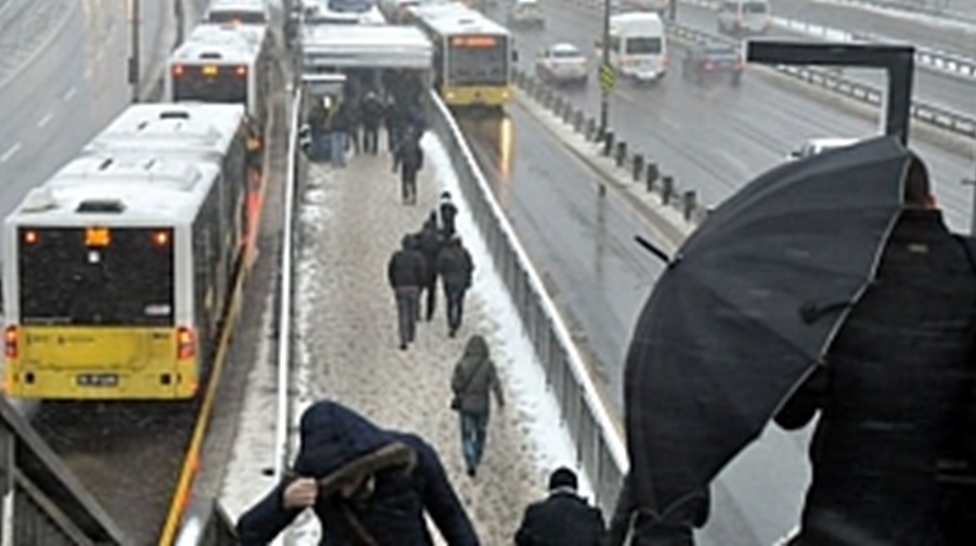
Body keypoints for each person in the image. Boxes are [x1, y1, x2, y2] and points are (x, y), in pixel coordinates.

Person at [774, 154, 976, 545]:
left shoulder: (838, 290)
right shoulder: (970, 268)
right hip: (951, 521)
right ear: (932, 202)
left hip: (847, 521)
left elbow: (791, 411)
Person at [236, 400, 480, 545]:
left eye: (347, 479)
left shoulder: (414, 455)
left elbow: (450, 517)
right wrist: (282, 503)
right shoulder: (313, 472)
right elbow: (247, 535)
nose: (343, 490)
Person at [450, 334, 504, 477]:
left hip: (466, 406)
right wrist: (500, 400)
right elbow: (495, 384)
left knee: (466, 435)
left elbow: (455, 384)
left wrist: (460, 392)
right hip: (483, 406)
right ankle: (478, 456)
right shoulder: (488, 365)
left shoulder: (461, 364)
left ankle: (470, 461)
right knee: (481, 433)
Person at [606, 472, 708, 546]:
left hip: (646, 541)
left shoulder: (641, 469)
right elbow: (700, 519)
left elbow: (621, 518)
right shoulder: (696, 471)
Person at [515, 467, 607, 546]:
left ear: (550, 488)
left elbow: (521, 541)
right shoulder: (592, 516)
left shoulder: (535, 512)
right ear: (575, 488)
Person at [387, 235, 427, 350]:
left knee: (402, 313)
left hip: (401, 287)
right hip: (414, 287)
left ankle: (403, 338)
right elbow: (422, 272)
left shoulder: (397, 256)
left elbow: (391, 271)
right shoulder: (418, 257)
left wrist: (394, 284)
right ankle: (411, 335)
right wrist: (420, 286)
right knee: (412, 312)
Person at [437, 235, 474, 338]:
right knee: (459, 302)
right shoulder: (464, 253)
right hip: (461, 282)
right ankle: (457, 322)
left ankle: (450, 323)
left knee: (449, 302)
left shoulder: (445, 253)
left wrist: (444, 274)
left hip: (449, 281)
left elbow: (439, 267)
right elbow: (470, 266)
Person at [414, 213, 446, 322]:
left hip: (421, 267)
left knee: (418, 291)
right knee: (431, 293)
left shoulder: (420, 237)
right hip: (433, 269)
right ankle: (429, 314)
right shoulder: (438, 239)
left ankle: (416, 312)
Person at [392, 127, 424, 205]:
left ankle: (406, 196)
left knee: (405, 180)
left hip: (407, 164)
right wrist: (419, 164)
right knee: (411, 181)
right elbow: (420, 154)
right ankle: (412, 196)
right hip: (412, 164)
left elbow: (398, 155)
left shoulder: (403, 144)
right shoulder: (415, 144)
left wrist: (395, 165)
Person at [360, 91, 385, 155]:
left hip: (367, 121)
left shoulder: (365, 103)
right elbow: (382, 110)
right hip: (375, 121)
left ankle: (366, 148)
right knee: (375, 136)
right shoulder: (377, 103)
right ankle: (375, 149)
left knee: (366, 135)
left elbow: (361, 111)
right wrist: (380, 118)